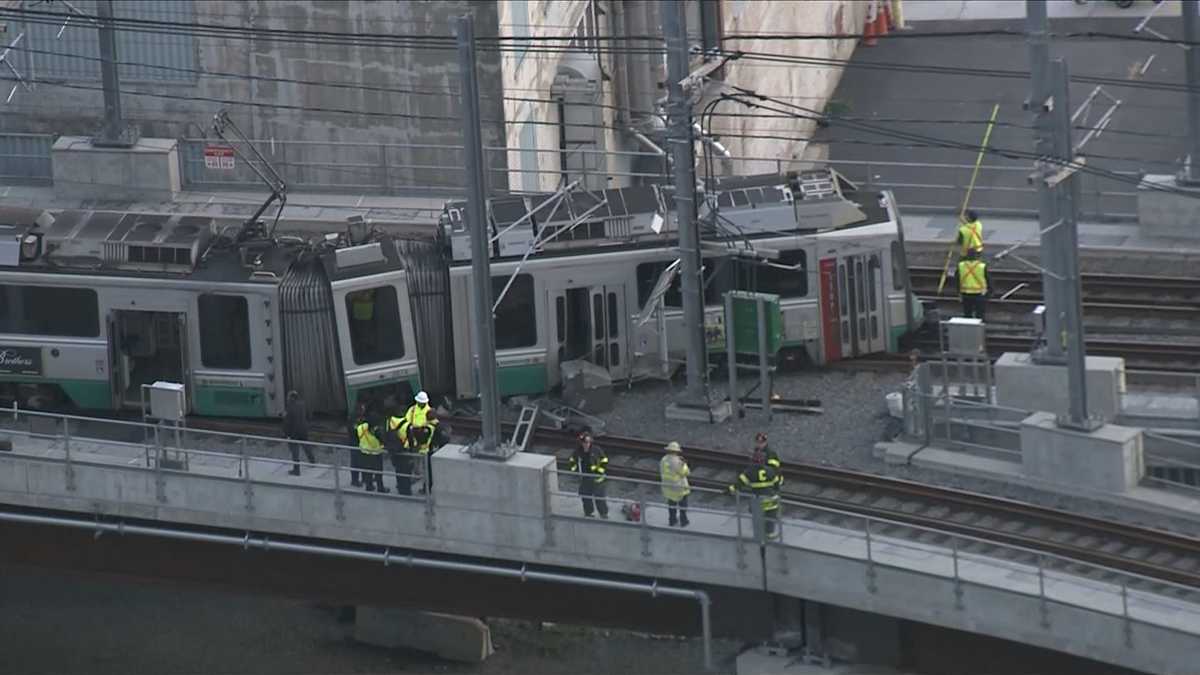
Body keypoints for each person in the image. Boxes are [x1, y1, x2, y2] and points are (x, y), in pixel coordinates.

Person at [728, 449, 783, 539]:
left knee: (757, 516)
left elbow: (738, 485)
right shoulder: (771, 471)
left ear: (752, 461)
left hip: (757, 502)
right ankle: (769, 533)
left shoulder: (749, 472)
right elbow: (777, 485)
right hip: (771, 501)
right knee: (771, 516)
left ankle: (758, 533)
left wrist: (728, 490)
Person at [569, 431, 609, 518]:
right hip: (585, 479)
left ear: (591, 442)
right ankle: (588, 512)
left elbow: (604, 460)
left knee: (599, 497)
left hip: (597, 479)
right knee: (585, 496)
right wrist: (575, 472)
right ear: (581, 443)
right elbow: (572, 462)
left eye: (588, 442)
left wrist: (599, 472)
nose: (586, 444)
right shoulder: (578, 452)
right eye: (584, 442)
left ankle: (603, 513)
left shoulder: (596, 450)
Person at [283, 390, 315, 476]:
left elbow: (287, 423)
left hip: (294, 432)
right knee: (306, 446)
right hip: (304, 430)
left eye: (288, 397)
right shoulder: (303, 404)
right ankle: (312, 461)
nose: (287, 399)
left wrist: (287, 434)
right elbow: (309, 415)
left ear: (291, 398)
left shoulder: (290, 407)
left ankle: (296, 470)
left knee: (294, 450)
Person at [355, 412, 389, 493]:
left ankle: (369, 486)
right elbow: (383, 441)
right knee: (378, 472)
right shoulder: (377, 431)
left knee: (367, 470)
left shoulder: (360, 428)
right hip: (376, 453)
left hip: (364, 452)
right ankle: (380, 488)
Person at [659, 441, 690, 528]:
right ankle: (684, 521)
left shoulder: (663, 460)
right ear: (676, 451)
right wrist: (684, 464)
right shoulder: (678, 461)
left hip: (668, 487)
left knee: (671, 506)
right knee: (683, 506)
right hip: (679, 488)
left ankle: (672, 521)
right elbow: (685, 473)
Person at [384, 406, 413, 495]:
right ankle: (406, 490)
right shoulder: (407, 425)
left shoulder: (389, 421)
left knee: (398, 470)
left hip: (394, 450)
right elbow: (411, 440)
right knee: (406, 471)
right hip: (404, 450)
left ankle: (400, 488)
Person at [956, 248, 989, 320]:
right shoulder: (982, 266)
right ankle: (979, 329)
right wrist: (989, 293)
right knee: (980, 315)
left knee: (967, 315)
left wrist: (958, 293)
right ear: (976, 256)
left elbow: (957, 280)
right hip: (979, 294)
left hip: (965, 294)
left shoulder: (961, 265)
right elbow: (988, 280)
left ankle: (969, 330)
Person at [347, 401, 367, 487]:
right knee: (355, 462)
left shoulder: (360, 418)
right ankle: (354, 480)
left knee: (363, 461)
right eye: (362, 409)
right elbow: (354, 430)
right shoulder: (353, 418)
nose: (363, 411)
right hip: (355, 443)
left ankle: (364, 478)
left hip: (361, 443)